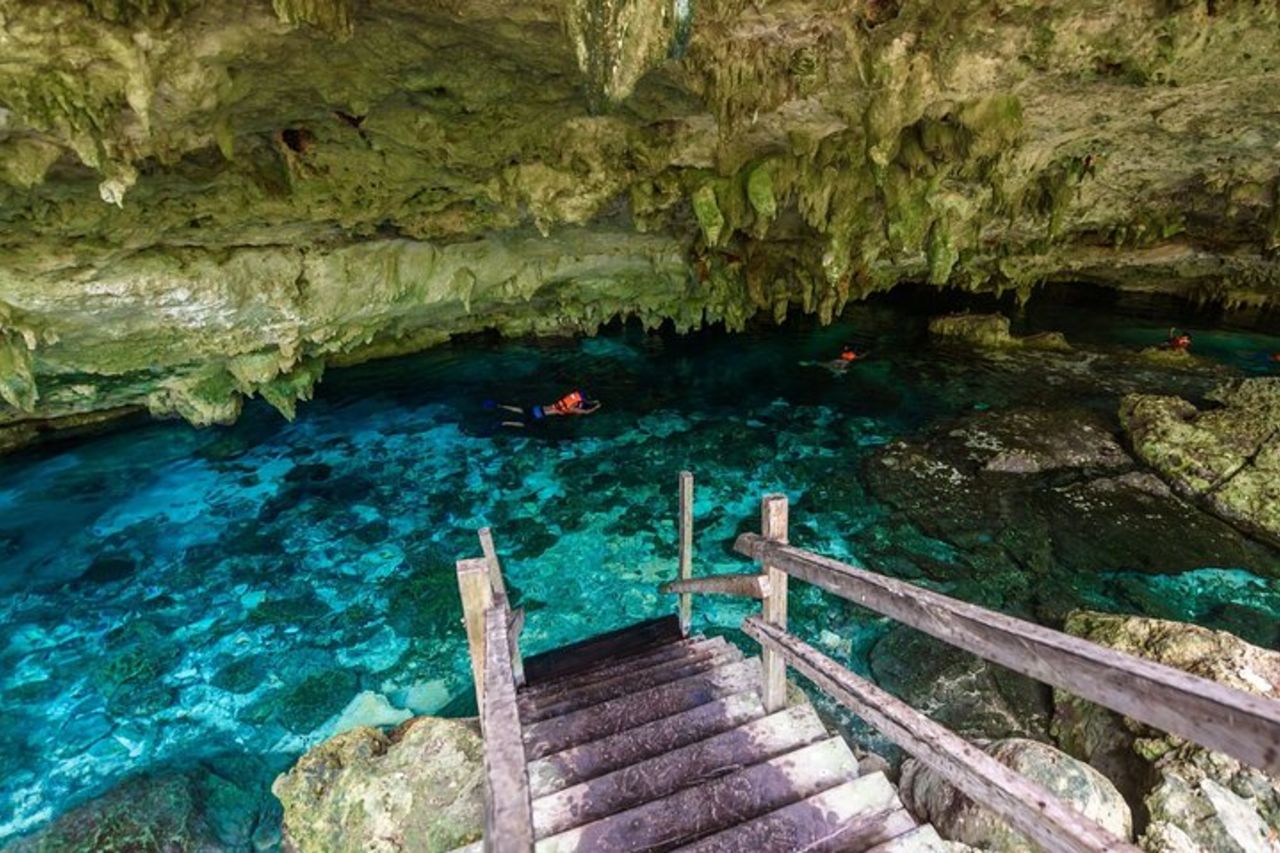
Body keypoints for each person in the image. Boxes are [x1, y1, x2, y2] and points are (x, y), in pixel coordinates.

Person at [497, 389, 601, 428]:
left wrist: (592, 402)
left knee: (521, 410)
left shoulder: (570, 399)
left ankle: (501, 406)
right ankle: (504, 423)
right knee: (524, 424)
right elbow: (587, 412)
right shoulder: (573, 408)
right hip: (538, 414)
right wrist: (596, 407)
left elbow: (581, 400)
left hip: (537, 408)